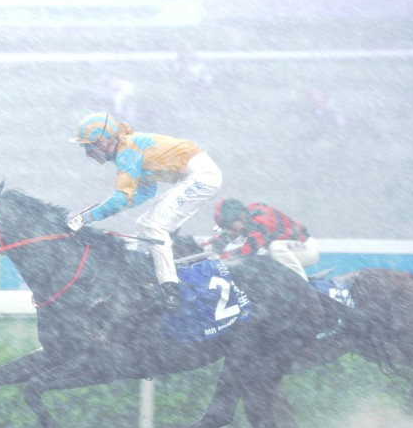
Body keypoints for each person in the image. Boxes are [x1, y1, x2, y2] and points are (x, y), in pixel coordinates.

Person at [67, 111, 222, 311]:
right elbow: (144, 193)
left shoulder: (127, 150)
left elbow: (123, 197)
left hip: (202, 176)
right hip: (197, 174)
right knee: (144, 223)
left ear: (104, 142)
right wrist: (93, 212)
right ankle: (148, 275)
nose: (87, 154)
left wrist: (86, 218)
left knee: (153, 224)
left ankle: (170, 289)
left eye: (89, 147)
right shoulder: (126, 149)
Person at [208, 198, 320, 282]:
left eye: (230, 227)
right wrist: (205, 248)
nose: (230, 231)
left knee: (275, 248)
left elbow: (250, 247)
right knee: (265, 257)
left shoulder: (263, 218)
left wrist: (220, 259)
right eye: (225, 228)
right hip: (291, 250)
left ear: (241, 217)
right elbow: (222, 239)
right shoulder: (244, 219)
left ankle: (301, 285)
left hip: (307, 248)